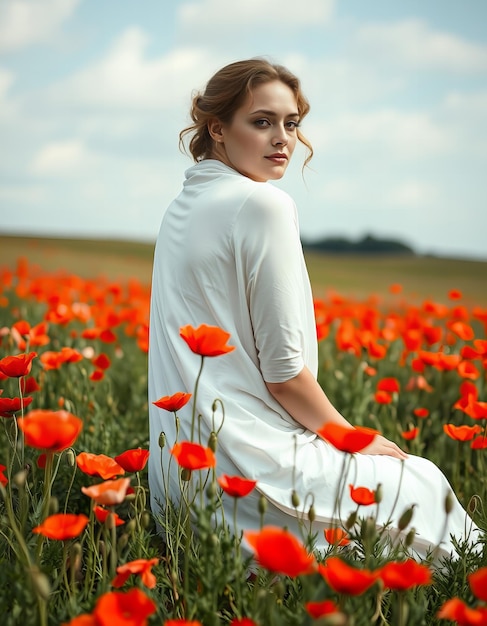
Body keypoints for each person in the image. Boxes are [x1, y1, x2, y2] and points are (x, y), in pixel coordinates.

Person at [148, 58, 479, 560]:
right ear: (217, 128)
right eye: (262, 122)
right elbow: (283, 374)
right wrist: (350, 438)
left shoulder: (182, 205)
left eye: (291, 123)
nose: (283, 138)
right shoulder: (264, 205)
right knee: (422, 481)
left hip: (181, 493)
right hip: (250, 481)